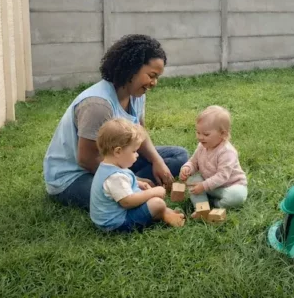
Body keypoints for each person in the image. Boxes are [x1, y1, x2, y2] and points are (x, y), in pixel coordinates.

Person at [43, 34, 189, 211]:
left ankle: (127, 184)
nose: (154, 83)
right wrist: (134, 180)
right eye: (151, 75)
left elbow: (139, 132)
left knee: (178, 156)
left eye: (157, 77)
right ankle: (128, 185)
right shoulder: (97, 105)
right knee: (122, 199)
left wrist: (158, 162)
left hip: (116, 159)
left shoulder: (136, 94)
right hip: (75, 177)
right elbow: (87, 160)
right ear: (132, 69)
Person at [90, 118, 185, 232]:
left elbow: (120, 187)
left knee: (153, 202)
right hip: (117, 224)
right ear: (118, 152)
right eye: (134, 151)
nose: (137, 155)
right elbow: (127, 202)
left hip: (112, 218)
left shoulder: (106, 167)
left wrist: (139, 183)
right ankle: (164, 213)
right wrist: (152, 192)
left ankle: (164, 212)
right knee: (157, 203)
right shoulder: (115, 177)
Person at [179, 105, 248, 215]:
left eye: (206, 134)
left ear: (223, 134)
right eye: (198, 132)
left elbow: (222, 176)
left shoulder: (227, 151)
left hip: (229, 186)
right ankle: (201, 208)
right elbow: (193, 162)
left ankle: (216, 204)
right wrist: (187, 168)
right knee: (192, 180)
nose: (200, 137)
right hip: (209, 185)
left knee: (236, 196)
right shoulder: (202, 146)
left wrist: (203, 186)